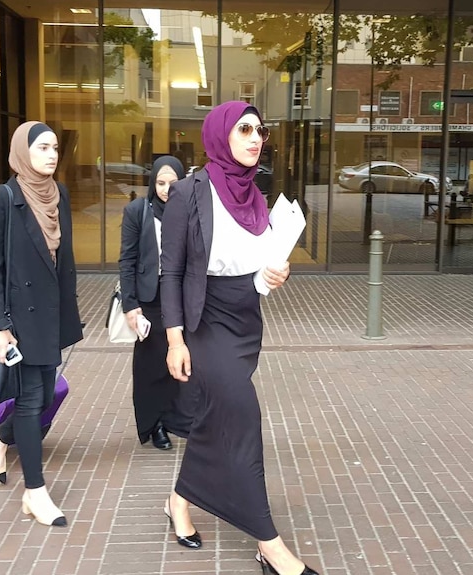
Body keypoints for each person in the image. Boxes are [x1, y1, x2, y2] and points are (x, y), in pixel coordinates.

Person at [160, 101, 318, 575]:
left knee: (215, 417)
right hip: (202, 320)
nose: (255, 138)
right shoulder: (189, 192)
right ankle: (269, 544)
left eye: (260, 130)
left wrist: (277, 272)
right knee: (242, 415)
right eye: (244, 129)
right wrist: (174, 340)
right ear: (220, 134)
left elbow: (259, 271)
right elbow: (170, 273)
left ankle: (178, 500)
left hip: (244, 319)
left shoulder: (257, 196)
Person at [0, 121, 83, 527]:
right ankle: (35, 493)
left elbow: (62, 262)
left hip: (49, 316)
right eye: (41, 148)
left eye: (55, 147)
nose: (51, 155)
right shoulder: (0, 199)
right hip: (18, 321)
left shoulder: (60, 196)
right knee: (34, 400)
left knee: (34, 399)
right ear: (23, 152)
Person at [118, 155, 195, 450]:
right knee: (151, 365)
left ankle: (178, 419)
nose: (165, 189)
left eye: (172, 183)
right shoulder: (138, 211)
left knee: (180, 361)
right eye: (160, 183)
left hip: (182, 296)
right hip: (149, 298)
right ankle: (155, 425)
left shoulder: (190, 211)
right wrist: (130, 304)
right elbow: (127, 259)